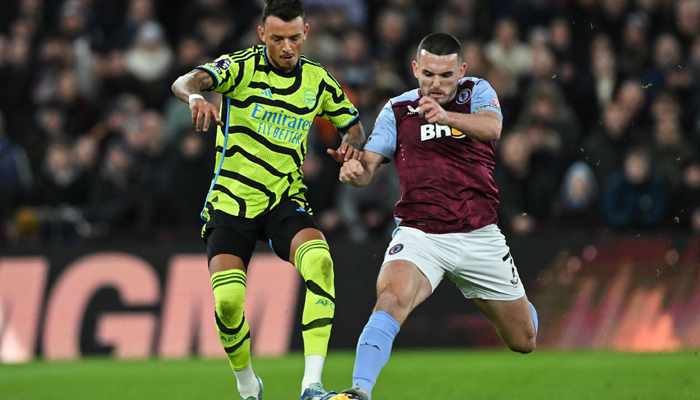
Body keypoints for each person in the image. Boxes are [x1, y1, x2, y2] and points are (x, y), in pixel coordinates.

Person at [170, 1, 366, 400]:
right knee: (227, 304)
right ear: (263, 35)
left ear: (306, 33)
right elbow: (184, 81)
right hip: (231, 201)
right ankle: (248, 386)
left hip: (283, 199)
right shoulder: (239, 68)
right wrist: (194, 98)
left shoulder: (319, 81)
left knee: (321, 262)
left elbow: (355, 127)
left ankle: (312, 386)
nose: (287, 47)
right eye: (277, 38)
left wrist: (350, 146)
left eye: (294, 37)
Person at [334, 33, 537, 400]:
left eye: (446, 76)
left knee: (524, 340)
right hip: (420, 233)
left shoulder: (476, 91)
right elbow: (368, 167)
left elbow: (493, 128)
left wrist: (447, 116)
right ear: (415, 69)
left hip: (479, 234)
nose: (437, 84)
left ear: (461, 70)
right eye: (428, 74)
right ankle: (358, 392)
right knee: (390, 300)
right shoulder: (396, 110)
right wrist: (354, 172)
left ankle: (498, 296)